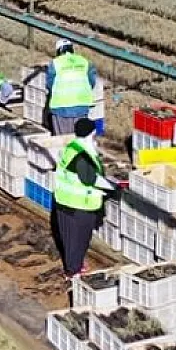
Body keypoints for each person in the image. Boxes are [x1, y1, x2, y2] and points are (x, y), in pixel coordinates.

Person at [53, 118, 118, 278]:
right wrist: (113, 188)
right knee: (79, 239)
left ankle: (72, 266)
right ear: (92, 133)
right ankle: (74, 271)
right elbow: (90, 179)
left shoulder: (72, 147)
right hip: (79, 206)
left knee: (68, 238)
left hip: (63, 201)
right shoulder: (83, 155)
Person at [43, 39, 98, 135]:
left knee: (63, 140)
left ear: (58, 51)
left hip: (61, 108)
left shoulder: (55, 63)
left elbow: (50, 84)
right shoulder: (85, 62)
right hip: (81, 107)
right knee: (79, 138)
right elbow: (91, 82)